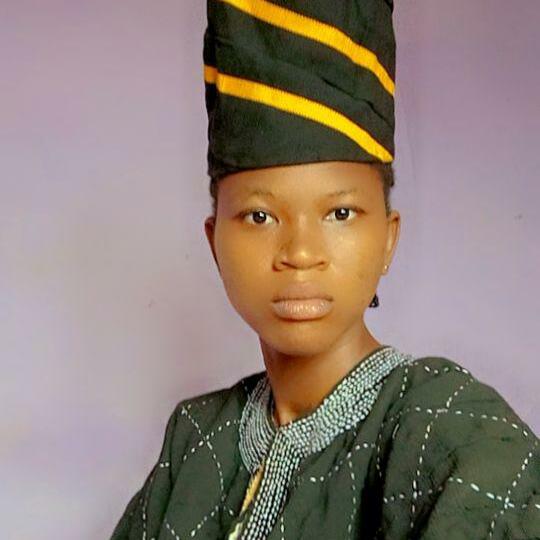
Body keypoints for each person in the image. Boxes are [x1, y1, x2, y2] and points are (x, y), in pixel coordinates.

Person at [110, 1, 540, 538]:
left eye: (340, 213)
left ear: (388, 238)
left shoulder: (447, 426)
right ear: (214, 243)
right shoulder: (194, 438)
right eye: (260, 216)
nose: (300, 252)